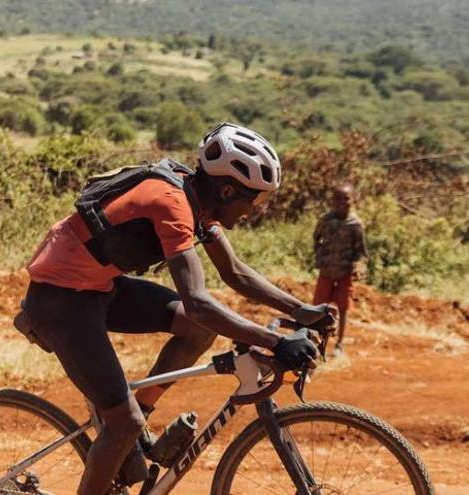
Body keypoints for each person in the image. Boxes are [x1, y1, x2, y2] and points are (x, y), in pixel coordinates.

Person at [18, 123, 332, 495]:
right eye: (255, 199)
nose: (254, 210)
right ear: (227, 189)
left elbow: (235, 273)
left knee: (195, 331)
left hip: (98, 287)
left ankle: (140, 415)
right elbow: (198, 301)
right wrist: (275, 343)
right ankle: (127, 428)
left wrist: (301, 310)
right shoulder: (172, 204)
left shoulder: (197, 200)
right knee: (123, 424)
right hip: (61, 300)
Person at [312, 184, 367, 355]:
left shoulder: (355, 224)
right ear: (332, 200)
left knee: (342, 309)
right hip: (326, 271)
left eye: (346, 198)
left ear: (353, 200)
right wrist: (320, 257)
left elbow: (361, 252)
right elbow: (316, 238)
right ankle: (316, 341)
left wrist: (358, 268)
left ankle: (339, 344)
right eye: (338, 198)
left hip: (345, 272)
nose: (342, 202)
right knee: (319, 308)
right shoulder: (326, 220)